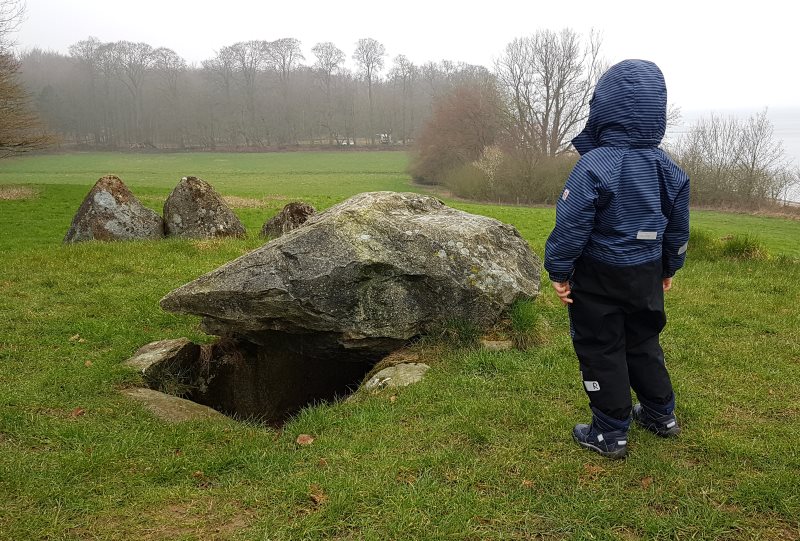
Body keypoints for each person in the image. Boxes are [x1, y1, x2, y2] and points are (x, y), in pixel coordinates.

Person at [544, 59, 690, 459]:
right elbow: (677, 229)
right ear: (656, 113)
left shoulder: (593, 166)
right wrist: (668, 267)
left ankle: (610, 433)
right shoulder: (670, 170)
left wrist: (559, 270)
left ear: (602, 110)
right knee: (643, 341)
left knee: (601, 346)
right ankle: (662, 415)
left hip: (598, 275)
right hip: (644, 273)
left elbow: (571, 226)